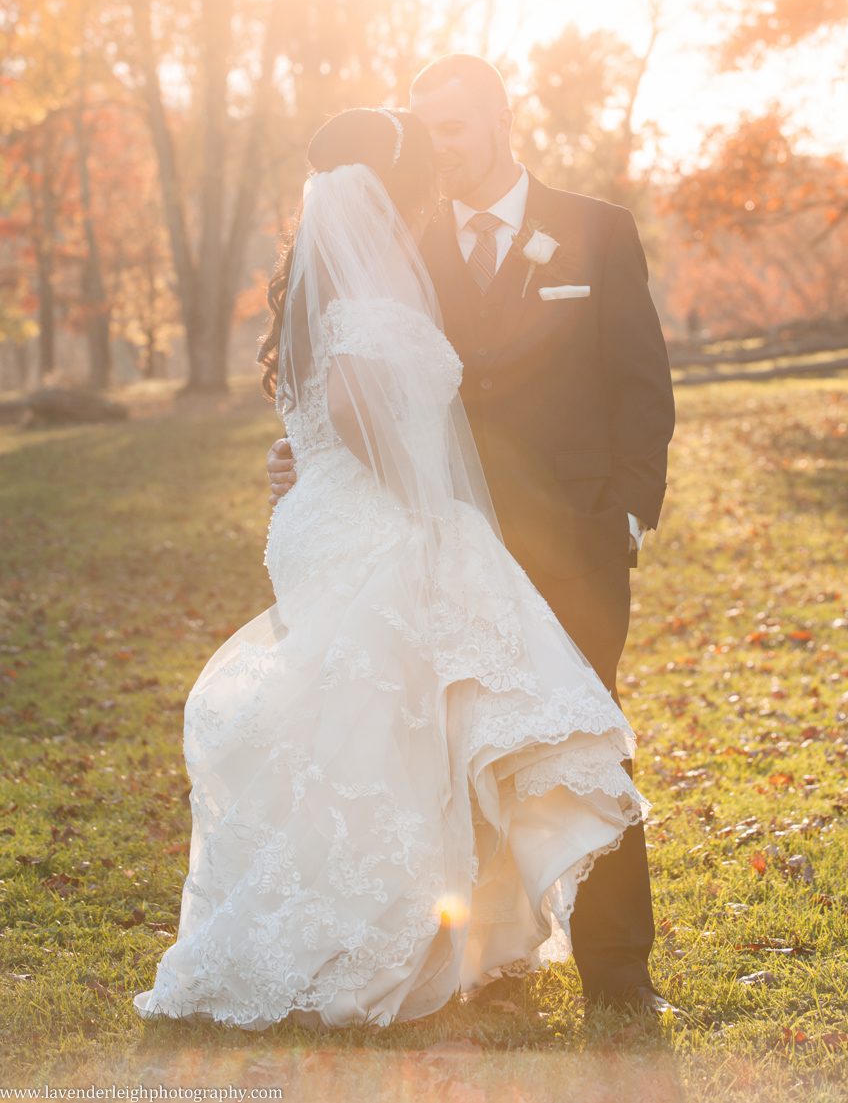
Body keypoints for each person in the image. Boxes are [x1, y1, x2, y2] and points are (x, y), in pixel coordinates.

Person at [133, 106, 649, 1032]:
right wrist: (416, 503)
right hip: (380, 524)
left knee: (387, 735)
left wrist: (314, 461)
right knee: (389, 736)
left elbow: (631, 378)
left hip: (370, 517)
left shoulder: (345, 272)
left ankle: (478, 944)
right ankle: (371, 940)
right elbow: (352, 401)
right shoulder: (375, 282)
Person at [268, 58, 677, 1015]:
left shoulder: (596, 228)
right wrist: (303, 457)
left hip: (573, 535)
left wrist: (625, 507)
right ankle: (481, 960)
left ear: (499, 117)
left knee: (580, 732)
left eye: (453, 126)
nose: (438, 146)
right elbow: (351, 366)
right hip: (443, 543)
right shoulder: (403, 244)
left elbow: (642, 381)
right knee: (453, 747)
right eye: (427, 128)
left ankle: (619, 974)